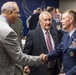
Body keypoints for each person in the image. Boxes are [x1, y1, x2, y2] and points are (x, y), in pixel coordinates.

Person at [0, 1, 47, 75]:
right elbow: (19, 57)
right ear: (10, 12)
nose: (19, 15)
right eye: (17, 13)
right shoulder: (8, 32)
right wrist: (39, 59)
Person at [46, 10, 76, 75]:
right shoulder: (65, 35)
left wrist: (68, 74)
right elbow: (58, 50)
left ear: (71, 19)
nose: (61, 21)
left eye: (63, 19)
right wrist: (46, 57)